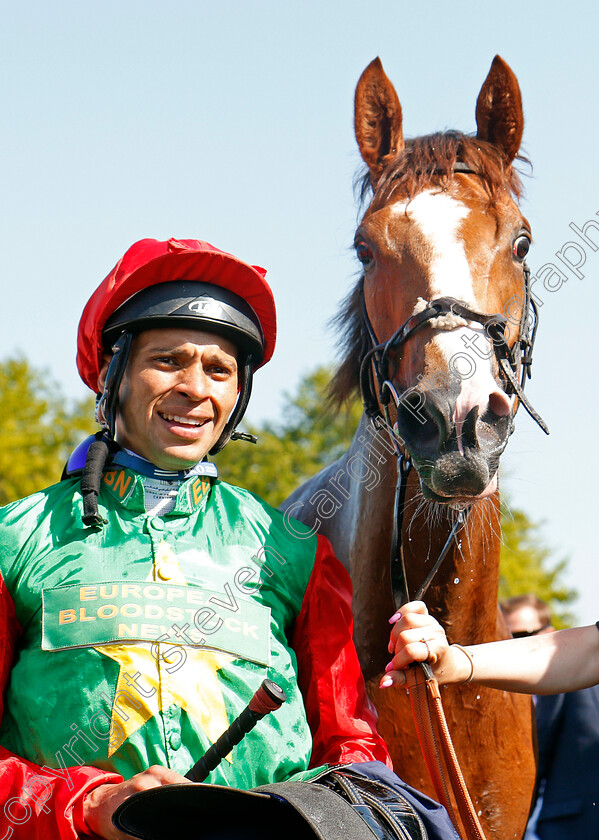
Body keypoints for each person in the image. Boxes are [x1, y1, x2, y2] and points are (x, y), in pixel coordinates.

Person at [0, 238, 457, 840]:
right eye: (168, 360)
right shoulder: (16, 537)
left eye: (219, 370)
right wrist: (91, 805)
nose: (196, 388)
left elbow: (353, 750)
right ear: (114, 374)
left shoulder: (293, 550)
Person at [501, 595, 599, 840]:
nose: (512, 646)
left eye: (523, 636)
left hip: (574, 823)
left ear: (550, 633)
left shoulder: (576, 680)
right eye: (505, 639)